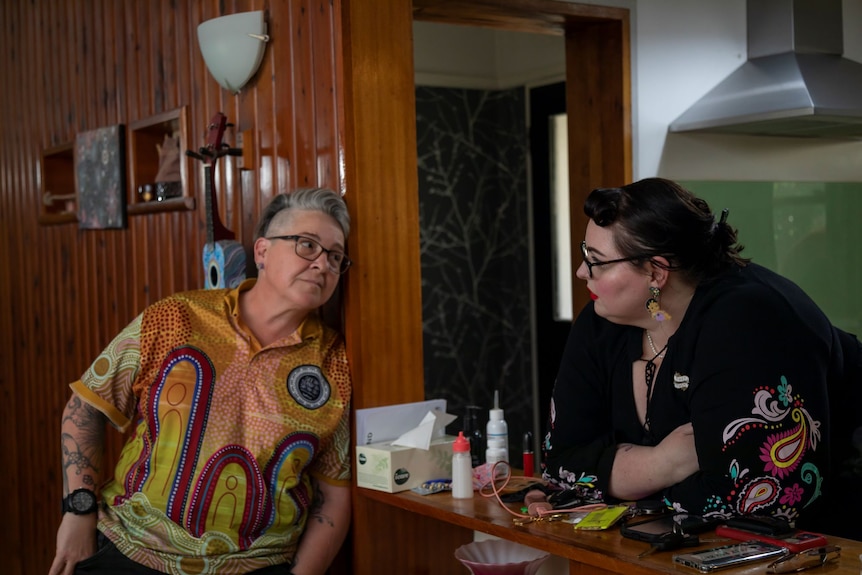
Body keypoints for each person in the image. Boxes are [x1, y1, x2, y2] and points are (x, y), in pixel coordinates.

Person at [49, 187, 354, 575]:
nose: (323, 264)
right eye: (307, 245)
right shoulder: (175, 317)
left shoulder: (334, 364)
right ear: (262, 251)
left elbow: (333, 495)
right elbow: (85, 407)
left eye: (335, 256)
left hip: (257, 565)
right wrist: (78, 512)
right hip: (130, 550)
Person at [541, 177, 856, 531]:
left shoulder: (748, 320)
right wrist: (664, 464)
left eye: (596, 261)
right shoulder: (604, 320)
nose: (582, 272)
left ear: (656, 272)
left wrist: (618, 479)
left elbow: (762, 500)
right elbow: (559, 464)